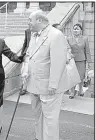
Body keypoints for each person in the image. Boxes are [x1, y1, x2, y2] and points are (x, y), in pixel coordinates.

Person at [21, 10, 68, 140]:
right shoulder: (33, 35)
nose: (28, 23)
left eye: (30, 20)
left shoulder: (56, 35)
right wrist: (25, 70)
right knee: (38, 117)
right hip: (33, 84)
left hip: (49, 87)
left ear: (39, 21)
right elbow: (29, 56)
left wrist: (53, 85)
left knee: (50, 120)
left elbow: (58, 62)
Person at [67, 23, 92, 99]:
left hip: (81, 60)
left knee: (81, 77)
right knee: (72, 76)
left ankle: (80, 90)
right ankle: (72, 92)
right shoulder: (68, 38)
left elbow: (87, 51)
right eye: (74, 29)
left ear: (81, 30)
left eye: (77, 29)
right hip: (72, 60)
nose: (76, 30)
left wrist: (89, 62)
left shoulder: (85, 38)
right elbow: (66, 49)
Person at [20, 22, 32, 95]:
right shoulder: (27, 31)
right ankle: (24, 88)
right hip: (27, 54)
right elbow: (25, 42)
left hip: (36, 54)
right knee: (24, 70)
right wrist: (22, 53)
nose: (29, 25)